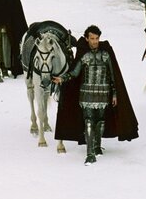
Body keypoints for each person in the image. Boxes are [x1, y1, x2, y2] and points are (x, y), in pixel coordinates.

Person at [53, 25, 139, 165]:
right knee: (88, 121)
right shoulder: (84, 56)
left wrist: (115, 94)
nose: (95, 41)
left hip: (103, 93)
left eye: (97, 38)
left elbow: (113, 75)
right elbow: (75, 73)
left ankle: (97, 146)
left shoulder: (106, 55)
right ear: (87, 39)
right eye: (92, 38)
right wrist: (62, 79)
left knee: (100, 122)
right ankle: (90, 153)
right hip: (86, 93)